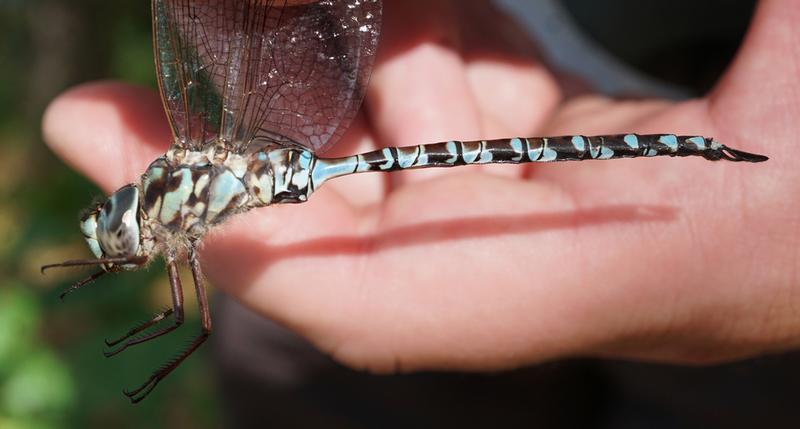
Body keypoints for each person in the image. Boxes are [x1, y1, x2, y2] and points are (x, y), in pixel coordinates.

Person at [43, 0, 797, 424]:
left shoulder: (183, 211)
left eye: (120, 230)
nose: (125, 232)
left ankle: (696, 147)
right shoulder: (189, 185)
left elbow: (187, 319)